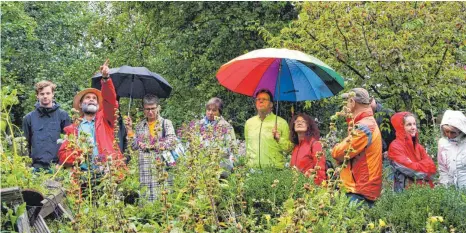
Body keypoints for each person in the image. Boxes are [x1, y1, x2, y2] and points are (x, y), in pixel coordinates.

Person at [58, 60, 125, 169]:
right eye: (88, 98)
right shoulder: (73, 129)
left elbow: (110, 101)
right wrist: (78, 155)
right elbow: (62, 155)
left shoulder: (106, 120)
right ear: (80, 104)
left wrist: (106, 79)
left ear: (99, 105)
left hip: (108, 173)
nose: (91, 100)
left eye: (94, 98)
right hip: (82, 175)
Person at [331, 88, 382, 207]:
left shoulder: (364, 127)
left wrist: (336, 148)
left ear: (353, 103)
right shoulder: (367, 123)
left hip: (358, 192)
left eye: (347, 102)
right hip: (362, 190)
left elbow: (339, 153)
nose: (345, 106)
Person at [125, 94, 177, 201]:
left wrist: (154, 146)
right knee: (146, 197)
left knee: (164, 195)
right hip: (145, 167)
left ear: (158, 107)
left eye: (153, 108)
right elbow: (134, 146)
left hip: (161, 165)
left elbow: (172, 141)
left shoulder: (165, 123)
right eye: (147, 109)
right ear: (143, 110)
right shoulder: (140, 125)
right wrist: (130, 130)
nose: (150, 112)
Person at [22, 80, 71, 170]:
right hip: (35, 168)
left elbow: (69, 142)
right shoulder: (29, 118)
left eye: (48, 93)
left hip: (57, 167)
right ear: (37, 96)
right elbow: (25, 144)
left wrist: (61, 163)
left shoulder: (63, 116)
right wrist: (27, 165)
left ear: (53, 94)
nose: (45, 96)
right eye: (42, 94)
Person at [388, 112, 436, 192]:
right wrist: (423, 165)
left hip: (425, 190)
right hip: (406, 193)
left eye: (414, 124)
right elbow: (411, 170)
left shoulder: (418, 146)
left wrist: (416, 165)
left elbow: (432, 167)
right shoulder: (395, 146)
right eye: (409, 125)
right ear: (401, 127)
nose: (413, 127)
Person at [244, 89, 293, 168]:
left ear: (271, 104)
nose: (260, 101)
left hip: (274, 171)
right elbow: (247, 146)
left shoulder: (281, 123)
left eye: (264, 99)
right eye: (258, 99)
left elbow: (289, 148)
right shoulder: (249, 123)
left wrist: (279, 139)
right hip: (252, 171)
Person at [199, 97, 236, 176]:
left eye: (214, 110)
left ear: (220, 112)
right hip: (202, 168)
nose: (210, 112)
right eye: (208, 110)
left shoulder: (226, 126)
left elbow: (233, 148)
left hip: (221, 168)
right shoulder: (199, 124)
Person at [289, 113, 326, 185]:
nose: (299, 123)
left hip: (309, 188)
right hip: (296, 188)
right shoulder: (296, 147)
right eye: (297, 121)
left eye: (303, 121)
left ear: (309, 126)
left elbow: (321, 171)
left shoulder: (315, 144)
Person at [437, 110, 466, 189]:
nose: (449, 135)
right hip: (449, 188)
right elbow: (442, 168)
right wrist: (444, 187)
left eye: (453, 132)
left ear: (460, 130)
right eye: (447, 131)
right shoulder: (442, 143)